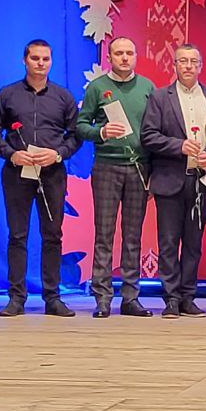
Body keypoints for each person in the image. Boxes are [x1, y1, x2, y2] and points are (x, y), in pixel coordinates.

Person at [0, 39, 81, 318]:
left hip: (52, 174)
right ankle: (16, 297)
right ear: (24, 60)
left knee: (53, 235)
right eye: (35, 58)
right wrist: (12, 154)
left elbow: (76, 135)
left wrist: (58, 154)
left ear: (51, 62)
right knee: (17, 235)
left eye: (45, 59)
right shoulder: (7, 94)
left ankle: (52, 298)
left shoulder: (63, 97)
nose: (40, 63)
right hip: (17, 173)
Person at [76, 36, 156, 318]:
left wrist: (154, 170)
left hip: (139, 168)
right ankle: (102, 297)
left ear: (136, 57)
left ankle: (131, 297)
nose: (124, 58)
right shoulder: (97, 87)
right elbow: (80, 125)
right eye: (119, 53)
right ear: (109, 57)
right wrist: (100, 132)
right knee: (104, 234)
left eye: (129, 53)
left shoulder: (147, 87)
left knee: (133, 235)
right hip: (106, 167)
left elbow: (155, 130)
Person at [141, 44, 206, 318]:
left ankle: (188, 297)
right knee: (168, 242)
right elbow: (148, 135)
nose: (188, 66)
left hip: (201, 181)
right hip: (169, 179)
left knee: (193, 244)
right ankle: (171, 299)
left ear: (201, 66)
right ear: (174, 65)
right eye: (182, 61)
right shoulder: (160, 97)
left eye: (193, 61)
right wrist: (179, 146)